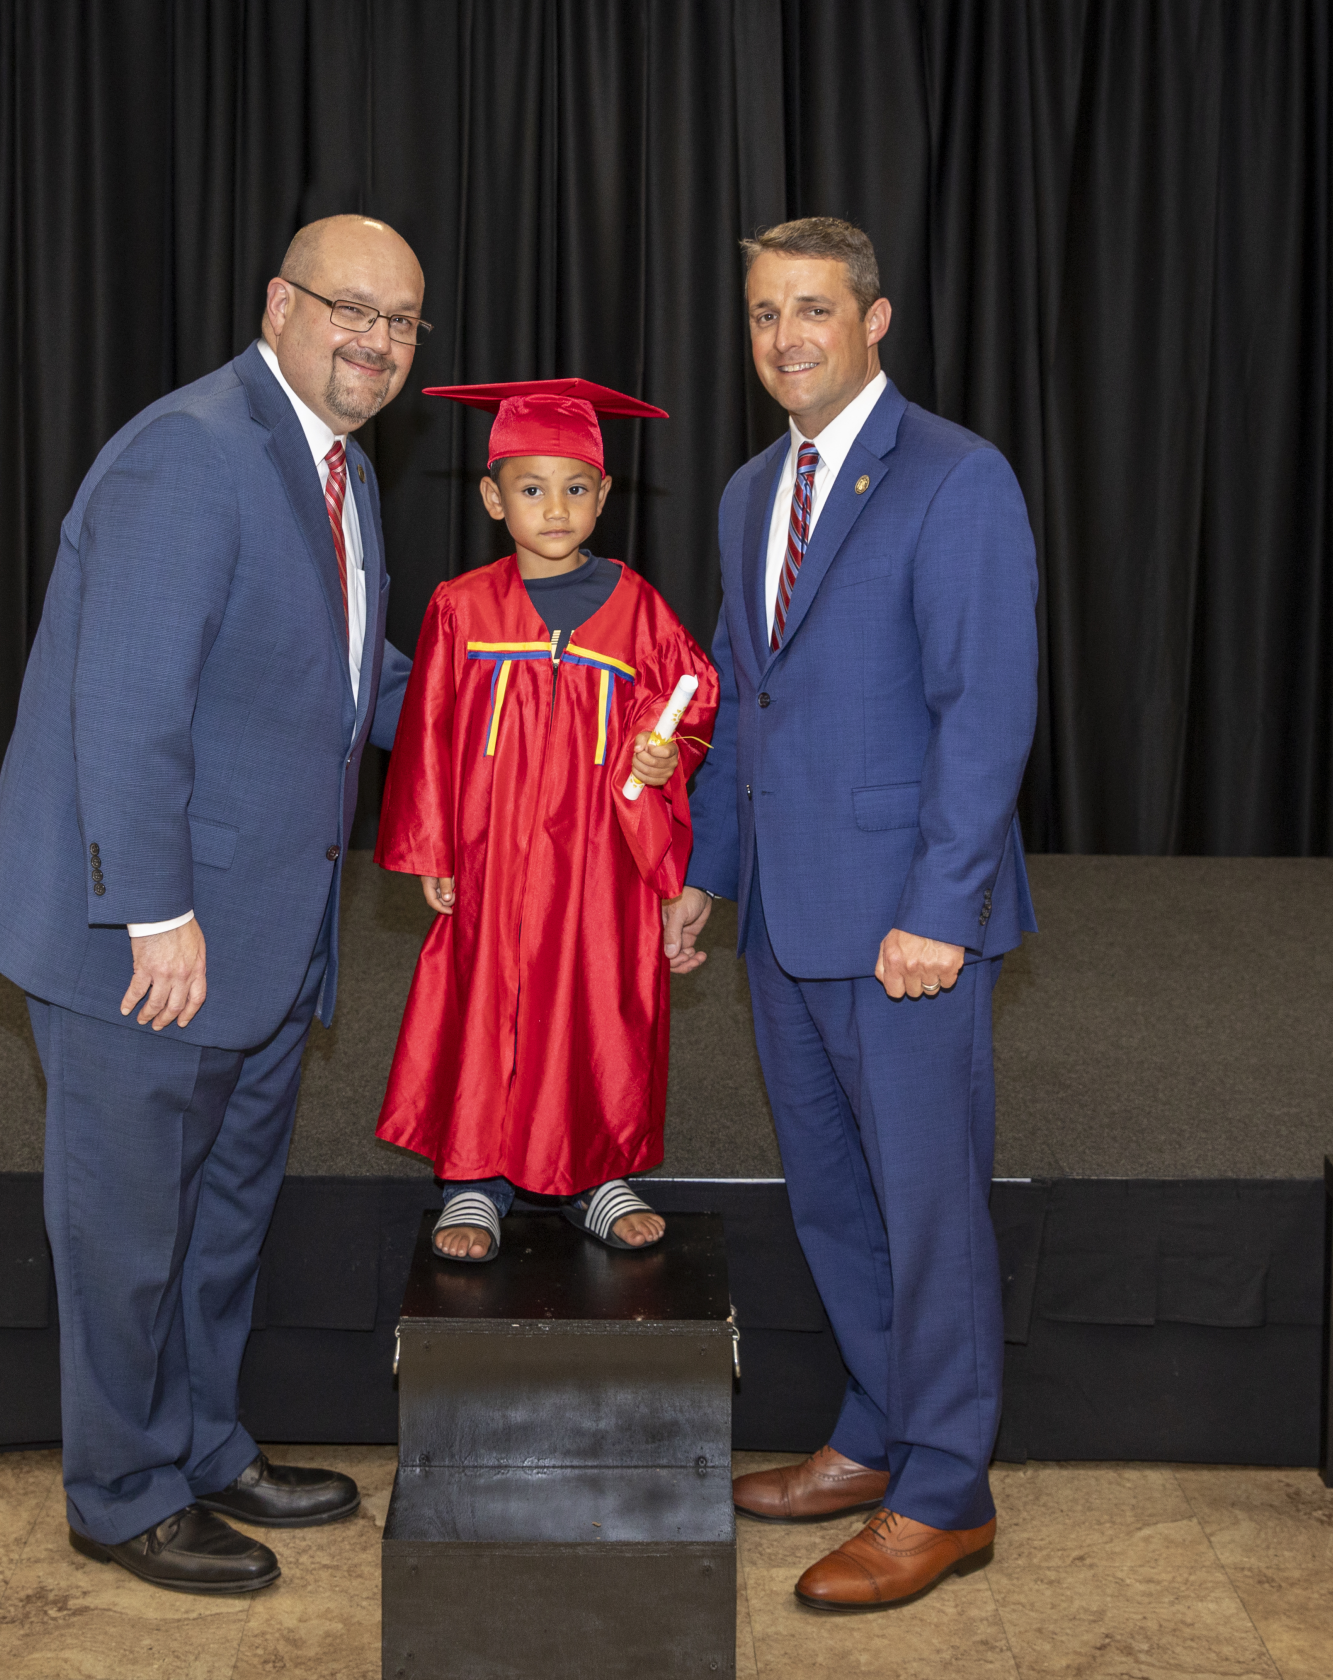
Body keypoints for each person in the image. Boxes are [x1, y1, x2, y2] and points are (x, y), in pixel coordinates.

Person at [0, 215, 423, 1594]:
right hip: (153, 945)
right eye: (351, 309)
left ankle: (205, 1445)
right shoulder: (189, 451)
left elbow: (351, 674)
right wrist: (153, 914)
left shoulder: (336, 466)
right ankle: (121, 1492)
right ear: (280, 304)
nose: (376, 342)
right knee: (126, 1236)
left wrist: (522, 703)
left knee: (221, 1224)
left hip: (267, 935)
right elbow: (127, 704)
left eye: (402, 322)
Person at [663, 217, 1039, 1611]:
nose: (786, 337)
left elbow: (985, 711)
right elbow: (738, 701)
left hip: (904, 933)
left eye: (813, 308)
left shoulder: (957, 477)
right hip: (784, 920)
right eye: (765, 313)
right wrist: (706, 876)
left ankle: (944, 1494)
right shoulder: (750, 489)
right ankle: (879, 1434)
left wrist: (942, 907)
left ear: (873, 321)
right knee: (836, 1203)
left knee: (928, 1213)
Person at [374, 380, 719, 1261]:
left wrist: (663, 754)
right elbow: (428, 729)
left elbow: (688, 708)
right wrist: (432, 847)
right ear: (494, 498)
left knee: (599, 1004)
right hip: (490, 858)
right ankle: (474, 1178)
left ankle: (597, 1172)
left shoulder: (639, 609)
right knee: (483, 1003)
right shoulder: (462, 606)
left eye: (576, 488)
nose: (555, 509)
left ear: (604, 495)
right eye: (531, 488)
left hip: (600, 865)